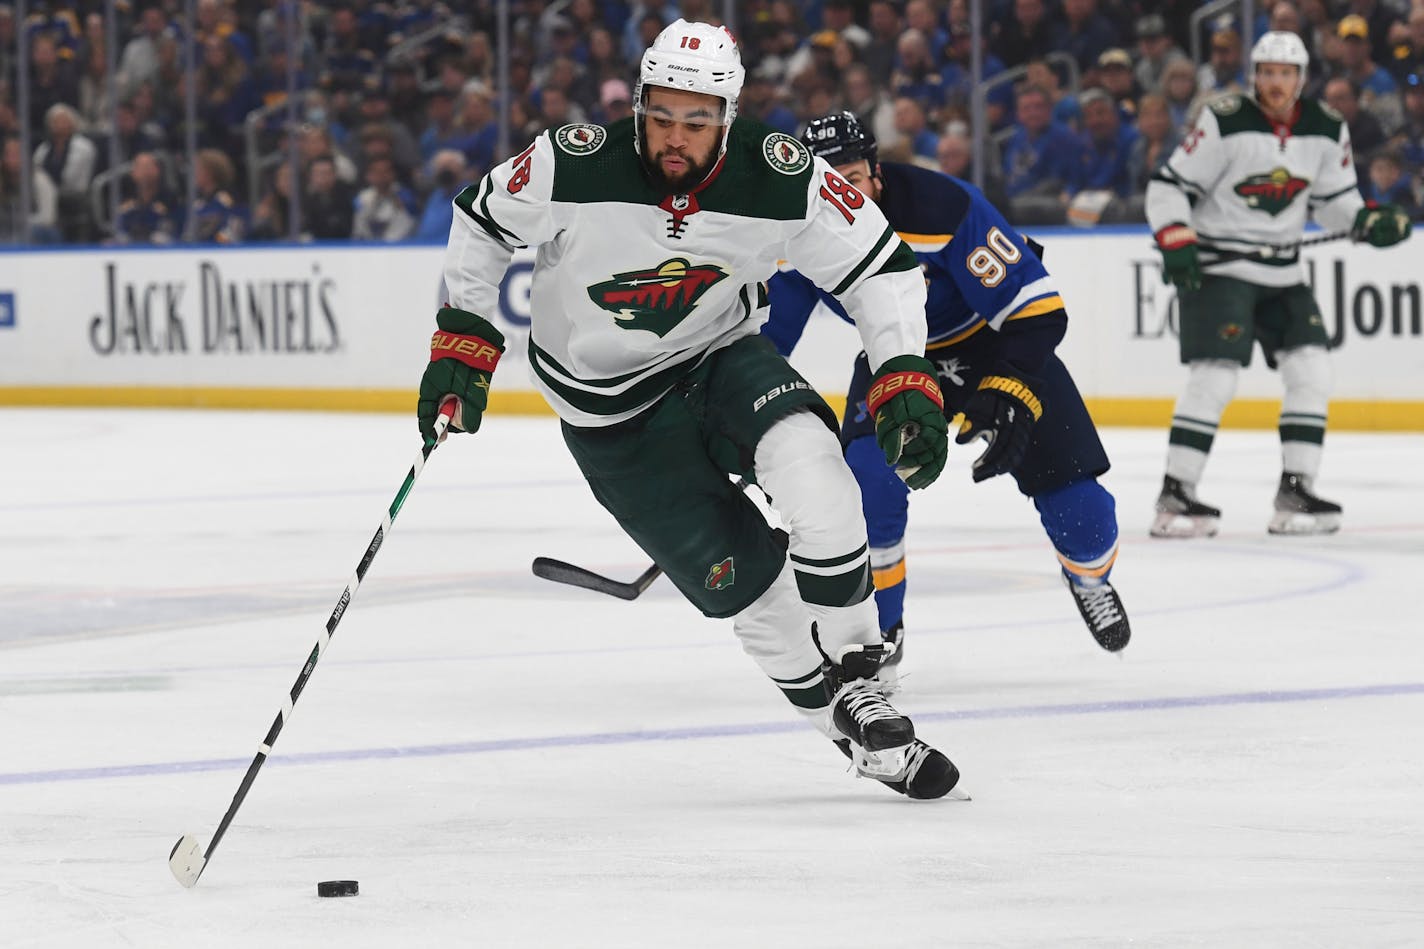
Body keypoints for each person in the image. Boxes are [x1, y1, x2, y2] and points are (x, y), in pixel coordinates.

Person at [417, 20, 964, 800]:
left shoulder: (779, 172)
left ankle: (860, 669)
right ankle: (861, 737)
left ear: (729, 118)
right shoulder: (570, 160)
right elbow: (480, 217)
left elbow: (880, 265)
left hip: (718, 359)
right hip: (611, 415)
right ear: (639, 105)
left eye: (698, 122)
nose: (677, 138)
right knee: (755, 596)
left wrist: (903, 368)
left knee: (817, 474)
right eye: (662, 116)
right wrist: (464, 335)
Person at [763, 112, 1130, 657]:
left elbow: (1038, 313)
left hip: (994, 344)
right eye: (826, 183)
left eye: (853, 178)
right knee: (869, 485)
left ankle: (1089, 577)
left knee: (1083, 512)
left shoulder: (943, 208)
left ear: (877, 171)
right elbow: (770, 340)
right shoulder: (799, 234)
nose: (842, 197)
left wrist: (1010, 386)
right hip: (897, 355)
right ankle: (878, 630)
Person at [1147, 31, 1412, 538]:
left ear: (1301, 77)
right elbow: (1169, 187)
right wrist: (1176, 238)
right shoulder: (1224, 119)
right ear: (1254, 75)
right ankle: (1176, 491)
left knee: (1312, 368)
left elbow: (1334, 201)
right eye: (1267, 72)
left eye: (1285, 73)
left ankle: (1297, 486)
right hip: (1220, 266)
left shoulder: (1326, 127)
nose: (1275, 82)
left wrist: (1365, 222)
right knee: (1216, 375)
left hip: (1283, 271)